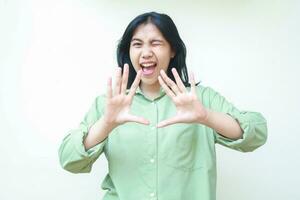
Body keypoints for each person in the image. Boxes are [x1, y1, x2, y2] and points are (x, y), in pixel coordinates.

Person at [58, 12, 267, 200]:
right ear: (128, 51)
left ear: (172, 50)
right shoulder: (109, 104)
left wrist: (205, 117)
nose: (146, 52)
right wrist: (106, 123)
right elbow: (69, 159)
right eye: (137, 44)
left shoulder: (199, 98)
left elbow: (257, 133)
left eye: (156, 43)